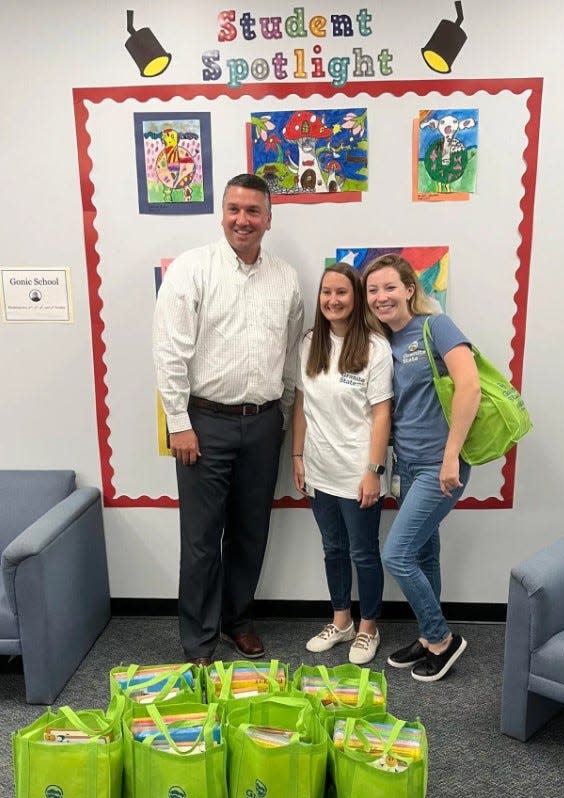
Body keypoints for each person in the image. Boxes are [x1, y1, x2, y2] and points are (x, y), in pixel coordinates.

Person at [152, 173, 304, 666]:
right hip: (203, 423)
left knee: (250, 530)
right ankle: (198, 638)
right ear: (222, 213)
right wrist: (178, 421)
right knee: (200, 538)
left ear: (268, 219)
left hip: (263, 423)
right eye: (234, 209)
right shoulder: (191, 270)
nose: (243, 219)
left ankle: (237, 622)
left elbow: (290, 354)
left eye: (253, 211)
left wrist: (281, 415)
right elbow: (169, 352)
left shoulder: (285, 278)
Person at [363, 253, 481, 681]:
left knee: (396, 554)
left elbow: (470, 387)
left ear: (410, 288)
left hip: (440, 464)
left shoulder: (436, 326)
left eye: (390, 287)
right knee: (424, 552)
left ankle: (442, 637)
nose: (381, 297)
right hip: (409, 466)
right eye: (373, 290)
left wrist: (452, 455)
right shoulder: (382, 342)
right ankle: (429, 638)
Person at [292, 261, 393, 664]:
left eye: (342, 293)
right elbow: (301, 403)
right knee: (332, 548)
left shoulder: (374, 347)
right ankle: (342, 620)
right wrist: (297, 456)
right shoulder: (309, 343)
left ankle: (369, 627)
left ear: (355, 298)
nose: (332, 300)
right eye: (326, 293)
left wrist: (373, 470)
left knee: (363, 553)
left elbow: (382, 414)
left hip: (358, 473)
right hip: (319, 468)